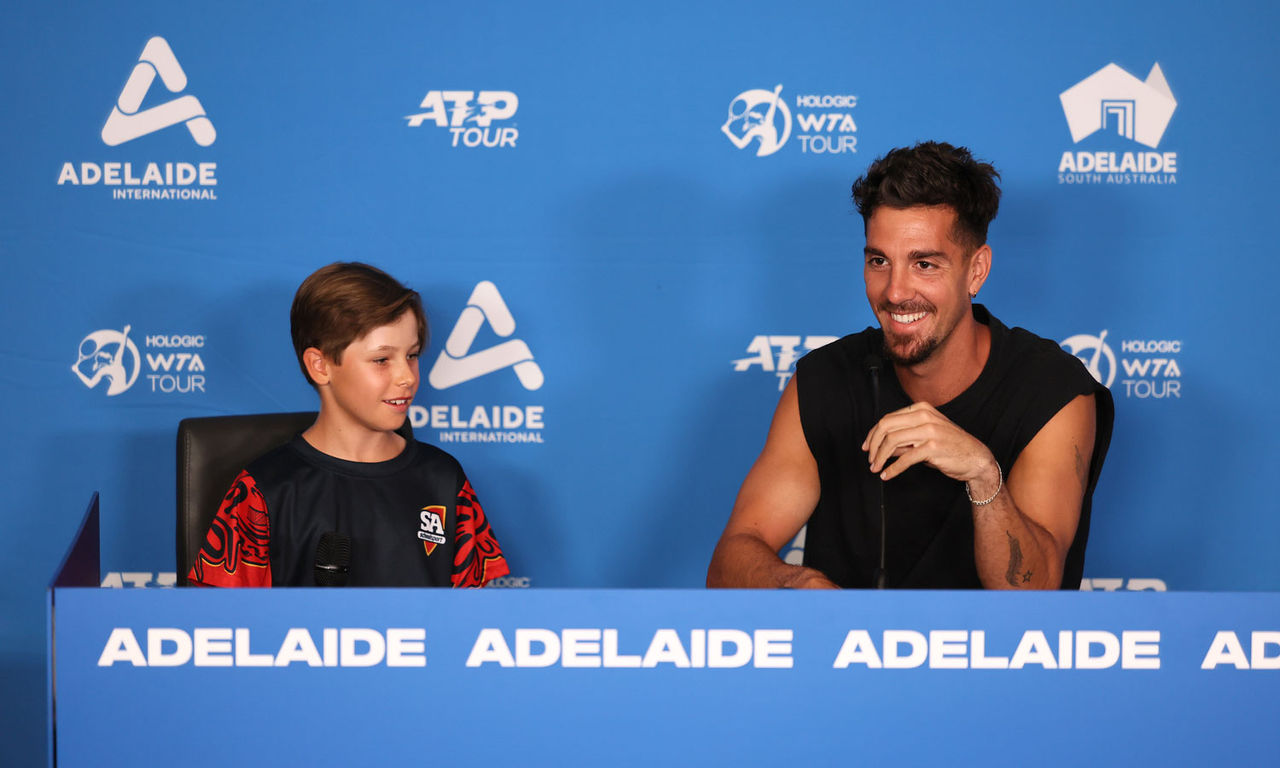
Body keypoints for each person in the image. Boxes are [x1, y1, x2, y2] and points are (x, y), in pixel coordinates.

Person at [707, 141, 1113, 590]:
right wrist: (795, 585)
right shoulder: (824, 381)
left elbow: (1037, 591)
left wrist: (983, 475)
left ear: (976, 271)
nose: (896, 292)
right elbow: (732, 558)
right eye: (879, 261)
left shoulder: (1052, 391)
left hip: (992, 658)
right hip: (849, 655)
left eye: (924, 264)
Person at [189, 262, 509, 587]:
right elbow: (222, 626)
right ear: (320, 366)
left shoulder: (444, 479)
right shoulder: (262, 492)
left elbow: (475, 624)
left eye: (412, 355)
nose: (406, 377)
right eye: (382, 360)